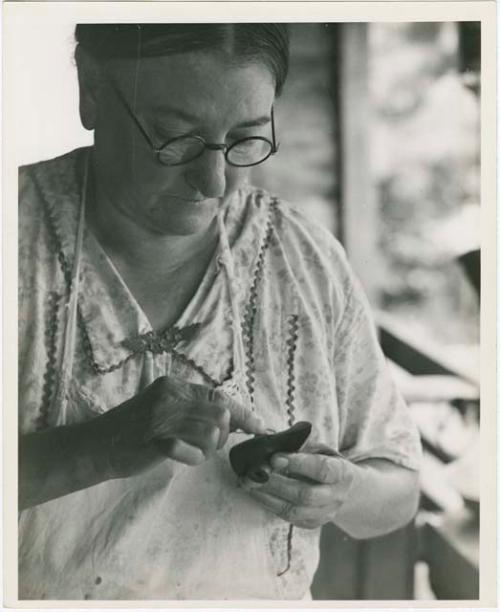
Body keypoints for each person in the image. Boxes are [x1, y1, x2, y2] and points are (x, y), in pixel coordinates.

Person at [18, 24, 421, 600]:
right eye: (174, 137)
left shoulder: (303, 258)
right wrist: (97, 449)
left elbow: (398, 490)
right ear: (92, 89)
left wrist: (342, 491)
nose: (212, 181)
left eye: (246, 139)